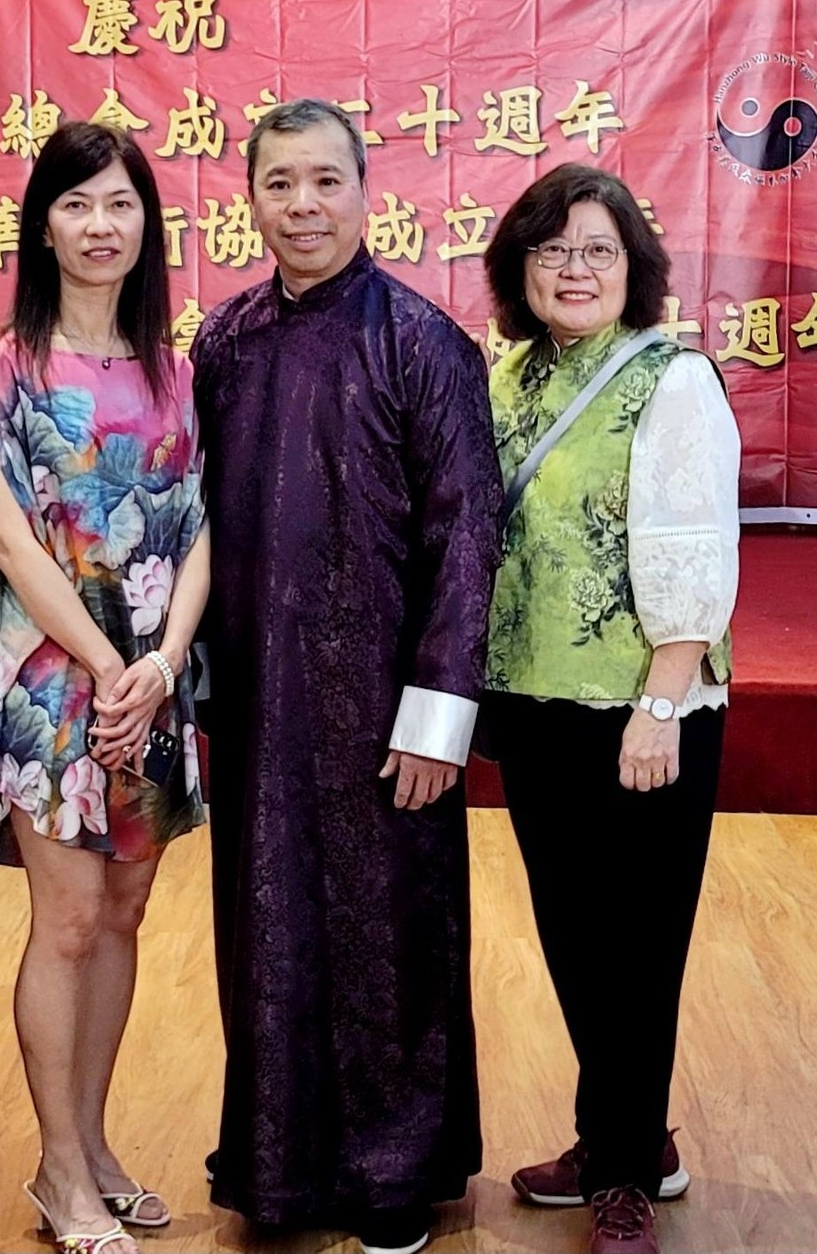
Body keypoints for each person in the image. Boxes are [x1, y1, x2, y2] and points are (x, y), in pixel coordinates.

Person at [190, 98, 503, 1254]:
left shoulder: (424, 343)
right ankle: (279, 1170)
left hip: (386, 709)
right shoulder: (224, 344)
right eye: (280, 184)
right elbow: (193, 524)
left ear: (368, 193)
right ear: (249, 200)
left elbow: (468, 536)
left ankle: (393, 1178)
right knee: (266, 933)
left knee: (392, 939)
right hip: (260, 708)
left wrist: (439, 717)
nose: (303, 206)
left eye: (326, 181)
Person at [0, 121, 209, 1254]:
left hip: (150, 687)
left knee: (123, 913)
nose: (100, 225)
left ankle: (95, 1148)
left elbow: (204, 526)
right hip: (51, 688)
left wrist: (160, 664)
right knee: (63, 921)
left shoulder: (176, 370)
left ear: (147, 224)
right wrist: (109, 667)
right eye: (76, 204)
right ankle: (58, 1172)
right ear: (42, 226)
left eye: (120, 204)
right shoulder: (3, 363)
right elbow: (10, 540)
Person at [478, 163, 740, 1254]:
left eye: (598, 249)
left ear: (635, 266)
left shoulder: (672, 380)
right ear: (520, 270)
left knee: (638, 946)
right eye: (551, 250)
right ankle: (622, 1138)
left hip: (641, 706)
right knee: (575, 936)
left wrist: (661, 704)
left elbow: (694, 546)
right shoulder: (509, 378)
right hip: (534, 699)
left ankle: (625, 1170)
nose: (574, 269)